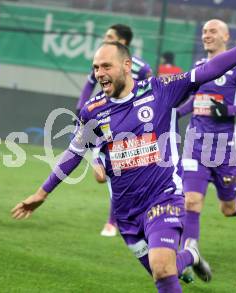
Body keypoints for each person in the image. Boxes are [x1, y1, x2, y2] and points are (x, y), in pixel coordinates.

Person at [12, 5, 236, 292]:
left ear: (127, 66)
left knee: (162, 268)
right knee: (163, 274)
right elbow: (73, 153)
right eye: (95, 68)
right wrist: (41, 193)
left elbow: (209, 70)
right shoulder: (93, 111)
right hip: (126, 212)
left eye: (106, 66)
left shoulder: (160, 89)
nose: (99, 74)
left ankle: (185, 255)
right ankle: (189, 256)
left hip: (163, 197)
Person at [176, 19, 236, 280]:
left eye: (213, 31)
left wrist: (229, 111)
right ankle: (188, 254)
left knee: (227, 208)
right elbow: (195, 100)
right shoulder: (198, 67)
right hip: (196, 144)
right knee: (191, 200)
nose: (207, 35)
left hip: (226, 149)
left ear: (226, 36)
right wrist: (174, 113)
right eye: (204, 31)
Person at [77, 23, 153, 237]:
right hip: (104, 122)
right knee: (106, 173)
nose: (105, 38)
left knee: (120, 172)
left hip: (133, 128)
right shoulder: (102, 62)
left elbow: (150, 95)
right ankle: (116, 220)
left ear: (123, 42)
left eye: (110, 36)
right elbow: (87, 88)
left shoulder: (141, 68)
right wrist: (79, 111)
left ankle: (114, 221)